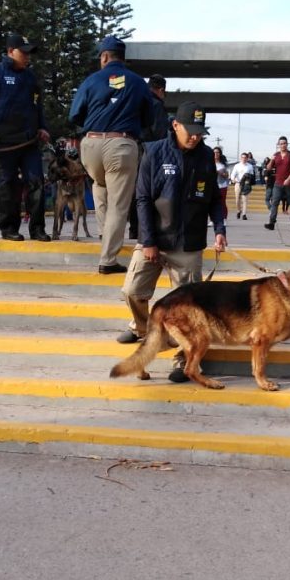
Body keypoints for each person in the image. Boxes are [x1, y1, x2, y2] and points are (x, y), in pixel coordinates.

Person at [116, 101, 227, 384]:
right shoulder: (154, 152)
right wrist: (149, 241)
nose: (195, 137)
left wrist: (219, 229)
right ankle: (146, 332)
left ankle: (184, 358)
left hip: (188, 243)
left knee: (188, 308)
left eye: (200, 132)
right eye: (191, 130)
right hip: (155, 239)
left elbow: (214, 199)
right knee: (132, 290)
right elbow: (142, 198)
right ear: (175, 125)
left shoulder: (205, 158)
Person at [69, 34, 154, 273]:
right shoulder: (138, 82)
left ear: (104, 56)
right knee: (118, 203)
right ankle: (107, 259)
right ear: (122, 58)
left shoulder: (91, 80)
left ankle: (104, 235)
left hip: (91, 144)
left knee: (99, 185)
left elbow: (74, 115)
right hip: (121, 145)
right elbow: (149, 119)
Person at [0, 32, 52, 243]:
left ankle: (37, 229)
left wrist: (43, 127)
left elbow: (37, 106)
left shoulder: (30, 77)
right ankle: (9, 229)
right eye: (23, 53)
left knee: (36, 182)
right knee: (6, 186)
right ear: (10, 51)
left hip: (29, 141)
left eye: (29, 53)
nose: (27, 57)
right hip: (3, 142)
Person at [128, 73, 170, 239]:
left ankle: (133, 228)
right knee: (149, 190)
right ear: (160, 90)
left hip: (131, 146)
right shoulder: (156, 105)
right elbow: (159, 132)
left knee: (135, 191)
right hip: (148, 151)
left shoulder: (136, 100)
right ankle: (145, 229)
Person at [264, 136, 290, 231]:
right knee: (274, 203)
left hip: (289, 184)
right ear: (279, 145)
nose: (283, 145)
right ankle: (272, 223)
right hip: (278, 183)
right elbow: (269, 168)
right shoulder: (276, 155)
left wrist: (288, 179)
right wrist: (272, 160)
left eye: (284, 143)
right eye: (281, 143)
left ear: (287, 144)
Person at [229, 151, 254, 220]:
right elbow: (233, 174)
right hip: (238, 183)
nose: (244, 159)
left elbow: (252, 175)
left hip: (246, 184)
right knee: (237, 200)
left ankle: (244, 214)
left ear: (247, 158)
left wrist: (249, 180)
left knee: (245, 200)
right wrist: (233, 179)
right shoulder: (237, 166)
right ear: (240, 158)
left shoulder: (250, 166)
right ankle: (238, 210)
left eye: (245, 157)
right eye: (242, 157)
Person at [213, 146, 230, 220]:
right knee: (212, 204)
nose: (216, 154)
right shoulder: (209, 162)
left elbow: (226, 175)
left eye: (217, 152)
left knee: (222, 203)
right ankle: (213, 220)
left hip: (222, 186)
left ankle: (224, 219)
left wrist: (219, 172)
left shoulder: (223, 165)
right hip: (212, 186)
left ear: (220, 154)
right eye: (214, 152)